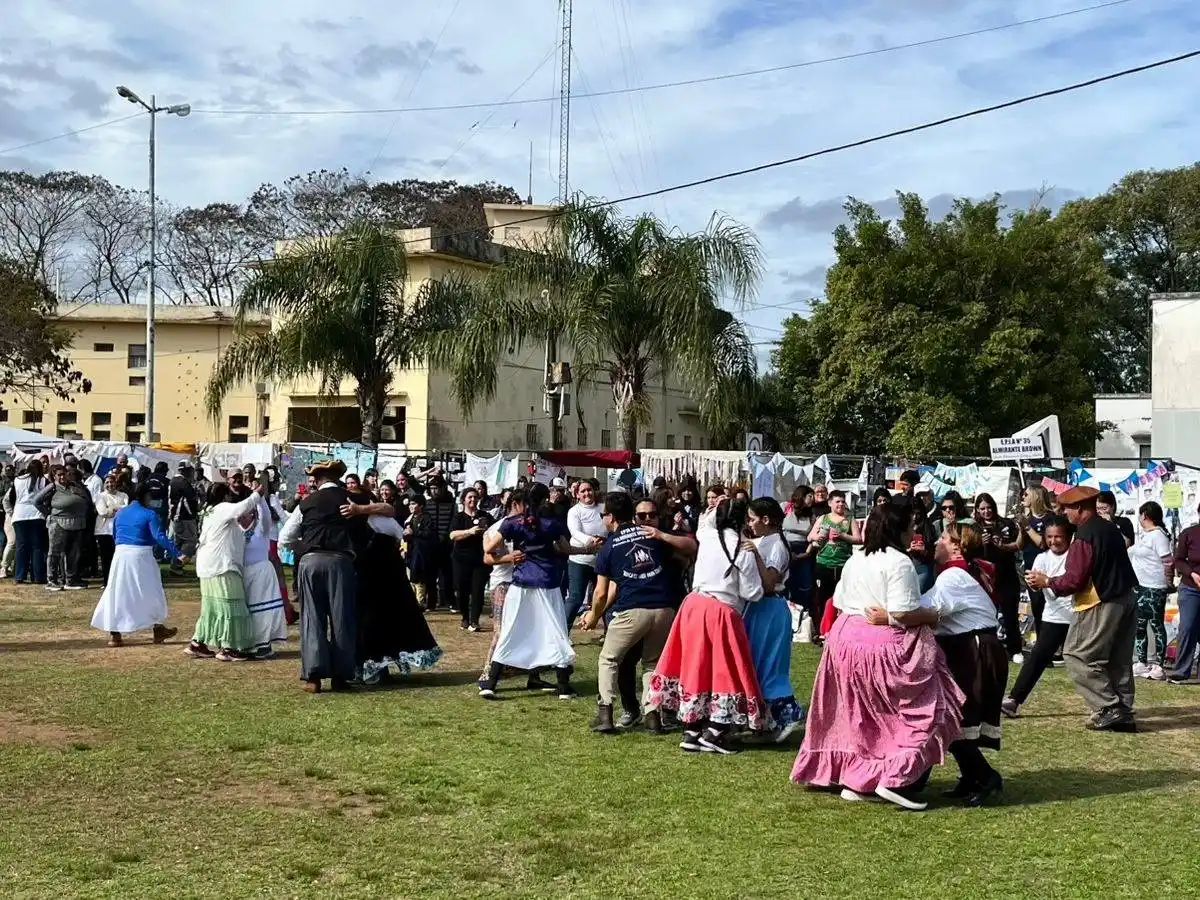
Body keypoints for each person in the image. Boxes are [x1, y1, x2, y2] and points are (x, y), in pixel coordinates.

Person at [791, 498, 963, 811]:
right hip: (879, 645)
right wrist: (933, 614)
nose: (914, 531)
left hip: (844, 641)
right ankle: (894, 777)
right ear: (896, 529)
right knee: (924, 710)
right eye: (910, 526)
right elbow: (902, 612)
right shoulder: (899, 562)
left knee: (861, 717)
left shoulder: (858, 557)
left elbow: (841, 599)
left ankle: (858, 780)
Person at [877, 523, 1006, 806]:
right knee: (951, 718)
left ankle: (984, 777)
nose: (937, 542)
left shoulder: (955, 577)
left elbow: (927, 610)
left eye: (944, 538)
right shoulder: (957, 573)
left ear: (956, 546)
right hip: (967, 648)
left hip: (973, 650)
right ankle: (972, 777)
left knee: (952, 717)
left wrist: (887, 616)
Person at [646, 497, 769, 755]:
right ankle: (714, 730)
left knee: (695, 666)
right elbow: (753, 592)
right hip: (722, 611)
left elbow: (705, 520)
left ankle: (691, 729)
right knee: (725, 670)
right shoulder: (743, 549)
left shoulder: (707, 535)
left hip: (693, 606)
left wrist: (718, 505)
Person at [1025, 486, 1139, 731]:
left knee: (1076, 654)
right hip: (1126, 598)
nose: (1064, 512)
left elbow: (1074, 579)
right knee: (1118, 659)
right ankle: (1124, 711)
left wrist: (1048, 582)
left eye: (1067, 508)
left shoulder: (1085, 534)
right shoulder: (1110, 528)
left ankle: (1110, 707)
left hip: (1100, 600)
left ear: (1079, 508)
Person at [581, 491, 695, 734]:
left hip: (632, 609)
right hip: (664, 610)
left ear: (609, 517)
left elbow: (601, 593)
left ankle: (605, 714)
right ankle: (653, 716)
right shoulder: (653, 536)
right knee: (652, 663)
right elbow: (685, 554)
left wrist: (592, 615)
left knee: (609, 659)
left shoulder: (609, 546)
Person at [278, 459, 375, 693]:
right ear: (336, 477)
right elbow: (384, 521)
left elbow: (285, 538)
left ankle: (314, 677)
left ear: (318, 479)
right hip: (341, 561)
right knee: (342, 619)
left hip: (310, 562)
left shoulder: (307, 502)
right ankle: (341, 676)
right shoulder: (353, 500)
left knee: (312, 618)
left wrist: (303, 546)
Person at [478, 484, 577, 700]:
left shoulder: (513, 523)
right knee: (556, 631)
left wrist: (502, 551)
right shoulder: (553, 523)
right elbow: (565, 549)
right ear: (544, 500)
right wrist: (588, 549)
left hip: (521, 583)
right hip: (548, 583)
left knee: (510, 631)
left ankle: (491, 683)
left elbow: (488, 550)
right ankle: (563, 687)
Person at [355, 489, 442, 685]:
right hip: (368, 582)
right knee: (369, 626)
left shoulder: (380, 519)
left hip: (385, 583)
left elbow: (399, 532)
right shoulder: (355, 521)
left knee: (380, 625)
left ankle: (376, 669)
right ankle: (367, 668)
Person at [89, 482, 184, 647]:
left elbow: (115, 534)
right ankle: (158, 628)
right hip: (141, 555)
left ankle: (115, 634)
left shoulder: (121, 513)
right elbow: (159, 536)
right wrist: (179, 553)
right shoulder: (150, 514)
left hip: (120, 554)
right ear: (145, 496)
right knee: (152, 590)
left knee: (117, 591)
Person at [742, 497, 805, 742]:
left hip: (771, 608)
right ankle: (765, 722)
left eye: (752, 518)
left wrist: (756, 555)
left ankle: (787, 716)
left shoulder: (776, 545)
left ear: (766, 520)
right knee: (757, 664)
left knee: (769, 666)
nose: (749, 523)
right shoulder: (764, 541)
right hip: (758, 609)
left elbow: (769, 582)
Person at [187, 481, 270, 662]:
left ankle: (197, 643)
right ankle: (229, 648)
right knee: (232, 604)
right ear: (224, 496)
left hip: (209, 566)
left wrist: (247, 523)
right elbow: (241, 507)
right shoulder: (222, 508)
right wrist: (256, 494)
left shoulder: (209, 511)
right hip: (222, 566)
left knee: (211, 608)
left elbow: (235, 529)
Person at [1004, 516, 1076, 716]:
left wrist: (1047, 581)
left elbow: (1071, 583)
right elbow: (1040, 588)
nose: (1054, 541)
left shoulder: (1076, 555)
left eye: (1058, 537)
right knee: (1038, 657)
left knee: (1085, 660)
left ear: (1069, 536)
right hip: (1054, 615)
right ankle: (1014, 700)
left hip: (1078, 614)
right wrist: (1037, 583)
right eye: (1050, 537)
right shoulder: (1042, 558)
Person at [242, 476, 289, 660]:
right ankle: (248, 644)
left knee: (263, 611)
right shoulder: (237, 530)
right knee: (246, 611)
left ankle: (263, 645)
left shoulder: (261, 528)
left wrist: (260, 497)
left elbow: (266, 516)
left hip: (261, 573)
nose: (245, 517)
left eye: (249, 513)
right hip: (244, 574)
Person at [974, 493, 1024, 662]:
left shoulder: (1006, 524)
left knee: (1010, 614)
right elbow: (970, 550)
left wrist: (1002, 543)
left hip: (1007, 573)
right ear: (977, 510)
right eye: (982, 508)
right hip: (986, 577)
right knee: (987, 613)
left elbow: (1018, 545)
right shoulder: (974, 527)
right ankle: (987, 648)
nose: (986, 511)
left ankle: (1015, 648)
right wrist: (980, 542)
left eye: (989, 507)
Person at [808, 489, 861, 642]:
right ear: (830, 503)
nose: (841, 504)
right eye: (837, 501)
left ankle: (840, 629)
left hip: (843, 564)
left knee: (841, 598)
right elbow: (809, 536)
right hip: (823, 563)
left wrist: (843, 536)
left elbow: (858, 539)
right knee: (822, 598)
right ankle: (822, 630)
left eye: (843, 501)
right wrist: (818, 536)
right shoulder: (823, 518)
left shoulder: (850, 519)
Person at [1128, 501, 1172, 681]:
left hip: (1155, 587)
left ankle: (1159, 665)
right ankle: (1141, 661)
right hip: (1140, 586)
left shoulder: (1158, 536)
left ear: (1144, 515)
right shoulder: (1145, 536)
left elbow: (1167, 561)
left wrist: (1168, 582)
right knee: (1139, 625)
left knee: (1155, 624)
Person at [32, 464, 92, 591]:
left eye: (64, 474)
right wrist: (48, 513)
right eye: (59, 475)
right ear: (54, 476)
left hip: (77, 523)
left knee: (74, 553)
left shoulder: (75, 486)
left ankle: (71, 579)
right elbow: (36, 501)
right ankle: (52, 580)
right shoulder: (52, 487)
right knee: (54, 552)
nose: (62, 477)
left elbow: (87, 498)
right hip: (58, 522)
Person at [449, 487, 494, 632]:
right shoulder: (458, 517)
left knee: (478, 590)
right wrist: (469, 531)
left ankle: (474, 620)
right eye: (470, 497)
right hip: (461, 559)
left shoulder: (484, 516)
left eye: (475, 497)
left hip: (480, 559)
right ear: (464, 500)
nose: (473, 500)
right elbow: (452, 535)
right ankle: (465, 618)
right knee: (462, 590)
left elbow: (494, 531)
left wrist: (485, 531)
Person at [565, 478, 606, 630]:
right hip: (580, 560)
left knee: (604, 598)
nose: (587, 493)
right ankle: (563, 634)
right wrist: (591, 540)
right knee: (575, 598)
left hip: (601, 561)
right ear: (577, 495)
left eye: (589, 490)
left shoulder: (603, 508)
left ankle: (608, 632)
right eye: (583, 491)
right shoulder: (574, 511)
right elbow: (575, 532)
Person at [1171, 504, 1200, 685]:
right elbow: (1178, 560)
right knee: (1188, 627)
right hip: (1191, 588)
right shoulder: (1189, 533)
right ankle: (1181, 670)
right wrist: (1192, 574)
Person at [10, 459, 49, 585]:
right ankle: (38, 576)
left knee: (21, 546)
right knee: (37, 547)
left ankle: (19, 575)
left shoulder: (17, 480)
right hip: (36, 514)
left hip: (19, 514)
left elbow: (12, 497)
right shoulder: (43, 480)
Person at [94, 474, 129, 588]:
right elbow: (102, 512)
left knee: (119, 557)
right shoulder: (100, 496)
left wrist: (112, 507)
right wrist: (116, 508)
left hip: (119, 531)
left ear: (116, 483)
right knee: (106, 558)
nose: (110, 485)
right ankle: (107, 581)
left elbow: (126, 509)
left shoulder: (123, 495)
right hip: (104, 531)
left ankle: (119, 582)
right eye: (107, 482)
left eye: (112, 482)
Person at [167, 463, 200, 575]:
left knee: (178, 543)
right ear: (186, 470)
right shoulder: (183, 483)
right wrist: (194, 513)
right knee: (191, 542)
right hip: (184, 517)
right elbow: (190, 500)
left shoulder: (173, 481)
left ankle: (174, 566)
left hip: (175, 516)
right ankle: (178, 564)